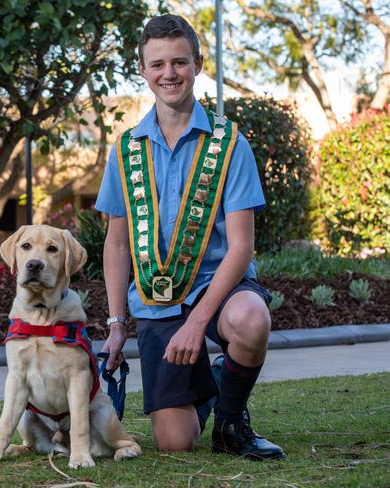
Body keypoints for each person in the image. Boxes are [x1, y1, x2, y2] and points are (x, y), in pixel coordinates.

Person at [95, 13, 285, 460]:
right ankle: (218, 380)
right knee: (175, 442)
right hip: (159, 300)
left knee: (252, 320)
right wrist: (118, 323)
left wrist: (198, 323)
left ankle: (232, 424)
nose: (169, 74)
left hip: (220, 291)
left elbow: (242, 247)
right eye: (158, 64)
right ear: (142, 70)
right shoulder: (126, 151)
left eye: (179, 62)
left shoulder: (230, 144)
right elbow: (117, 243)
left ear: (198, 64)